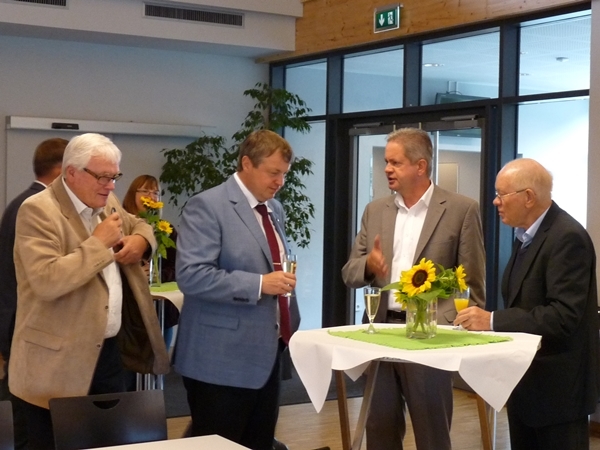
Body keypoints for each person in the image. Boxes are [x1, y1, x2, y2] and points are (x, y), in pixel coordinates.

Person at [8, 133, 170, 449]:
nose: (111, 186)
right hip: (55, 364)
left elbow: (140, 224)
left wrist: (140, 241)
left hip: (107, 353)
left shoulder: (106, 202)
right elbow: (46, 280)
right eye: (103, 177)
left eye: (114, 177)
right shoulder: (37, 210)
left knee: (105, 442)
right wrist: (98, 244)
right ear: (72, 172)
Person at [341, 127, 486, 450]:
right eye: (386, 162)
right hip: (382, 333)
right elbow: (350, 273)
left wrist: (460, 333)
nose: (387, 169)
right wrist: (369, 266)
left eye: (395, 163)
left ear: (420, 166)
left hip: (431, 337)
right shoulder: (375, 210)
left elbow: (472, 282)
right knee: (379, 430)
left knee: (432, 435)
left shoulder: (461, 209)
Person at [455, 158, 600, 450]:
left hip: (558, 392)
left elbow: (563, 316)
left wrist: (492, 321)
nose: (495, 201)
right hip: (527, 385)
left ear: (529, 197)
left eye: (501, 194)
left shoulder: (567, 237)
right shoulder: (525, 237)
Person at [174, 129, 301, 450]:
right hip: (219, 360)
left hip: (267, 353)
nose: (280, 182)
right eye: (273, 173)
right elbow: (191, 275)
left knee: (260, 443)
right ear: (246, 163)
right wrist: (259, 284)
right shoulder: (208, 205)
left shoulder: (274, 209)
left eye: (284, 174)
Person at [0, 137, 68, 449]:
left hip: (15, 319)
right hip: (24, 324)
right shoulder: (36, 208)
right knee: (28, 425)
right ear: (63, 171)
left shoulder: (20, 203)